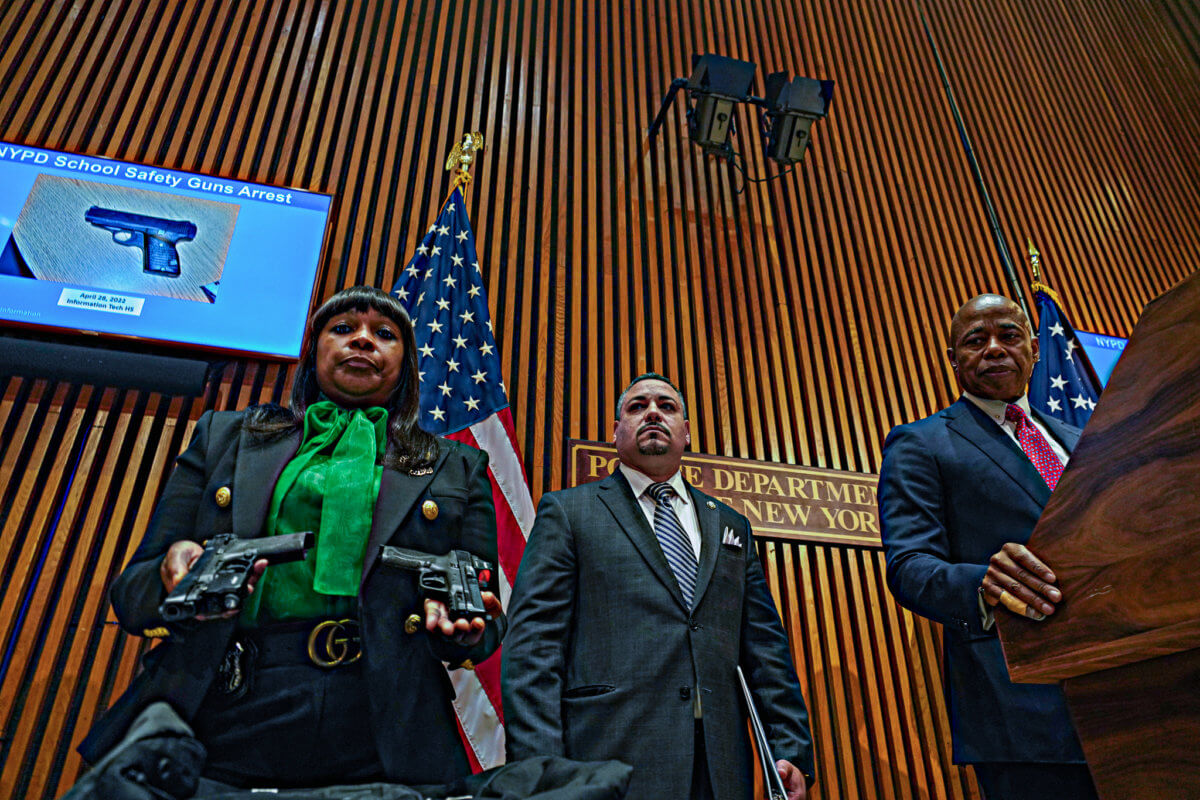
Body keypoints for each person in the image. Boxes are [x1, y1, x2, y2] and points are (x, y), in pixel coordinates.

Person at [78, 285, 504, 789]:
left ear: (407, 365)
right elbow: (133, 595)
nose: (362, 340)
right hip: (224, 702)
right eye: (342, 328)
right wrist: (174, 577)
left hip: (382, 719)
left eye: (384, 334)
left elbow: (483, 612)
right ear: (313, 352)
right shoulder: (225, 437)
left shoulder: (457, 466)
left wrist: (463, 626)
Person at [502, 373, 815, 800]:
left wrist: (790, 750)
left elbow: (766, 650)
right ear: (616, 433)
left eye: (667, 406)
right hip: (607, 761)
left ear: (686, 432)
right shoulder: (569, 512)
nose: (652, 412)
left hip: (720, 769)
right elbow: (534, 648)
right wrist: (540, 773)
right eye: (638, 406)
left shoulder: (731, 525)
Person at [877, 294, 1098, 800]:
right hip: (1022, 711)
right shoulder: (921, 442)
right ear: (954, 359)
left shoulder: (1083, 438)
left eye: (1008, 335)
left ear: (1035, 349)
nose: (994, 348)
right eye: (976, 340)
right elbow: (909, 566)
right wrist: (985, 583)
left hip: (1129, 691)